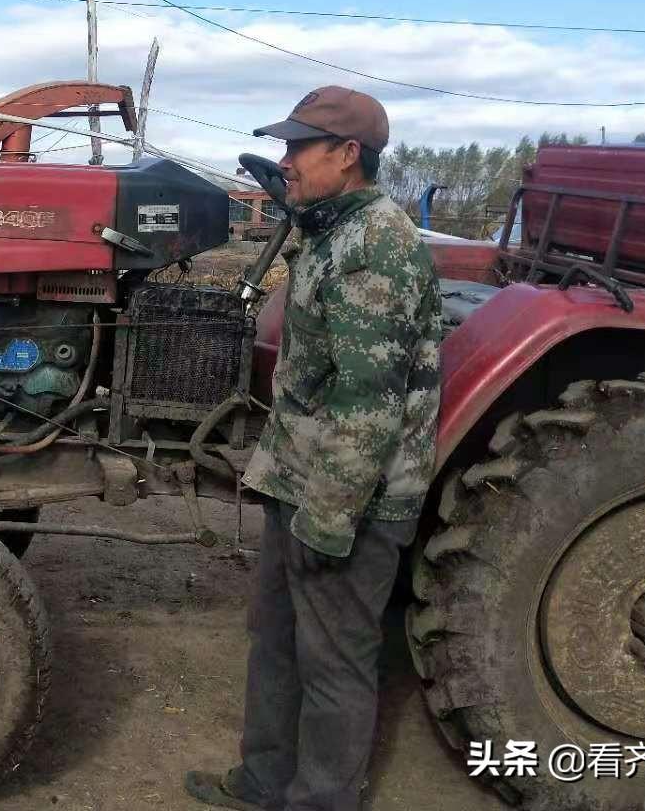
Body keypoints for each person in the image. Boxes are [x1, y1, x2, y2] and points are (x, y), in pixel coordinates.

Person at [187, 86, 441, 811]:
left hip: (350, 501)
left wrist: (327, 522)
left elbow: (367, 404)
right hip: (301, 483)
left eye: (300, 147)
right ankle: (265, 780)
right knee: (276, 640)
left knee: (333, 664)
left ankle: (318, 802)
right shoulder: (334, 230)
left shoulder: (376, 249)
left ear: (348, 154)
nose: (286, 159)